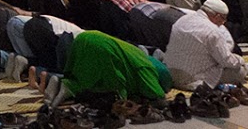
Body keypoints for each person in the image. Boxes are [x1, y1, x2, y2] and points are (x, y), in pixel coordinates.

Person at [27, 30, 171, 105]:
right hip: (101, 48)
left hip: (84, 38)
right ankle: (59, 83)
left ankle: (64, 85)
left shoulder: (140, 56)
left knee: (87, 78)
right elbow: (158, 96)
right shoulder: (147, 68)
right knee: (114, 87)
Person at [164, 0, 248, 90]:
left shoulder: (181, 20)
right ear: (217, 16)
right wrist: (240, 60)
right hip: (192, 80)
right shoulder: (212, 31)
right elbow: (225, 60)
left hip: (171, 74)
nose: (223, 23)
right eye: (223, 19)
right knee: (239, 71)